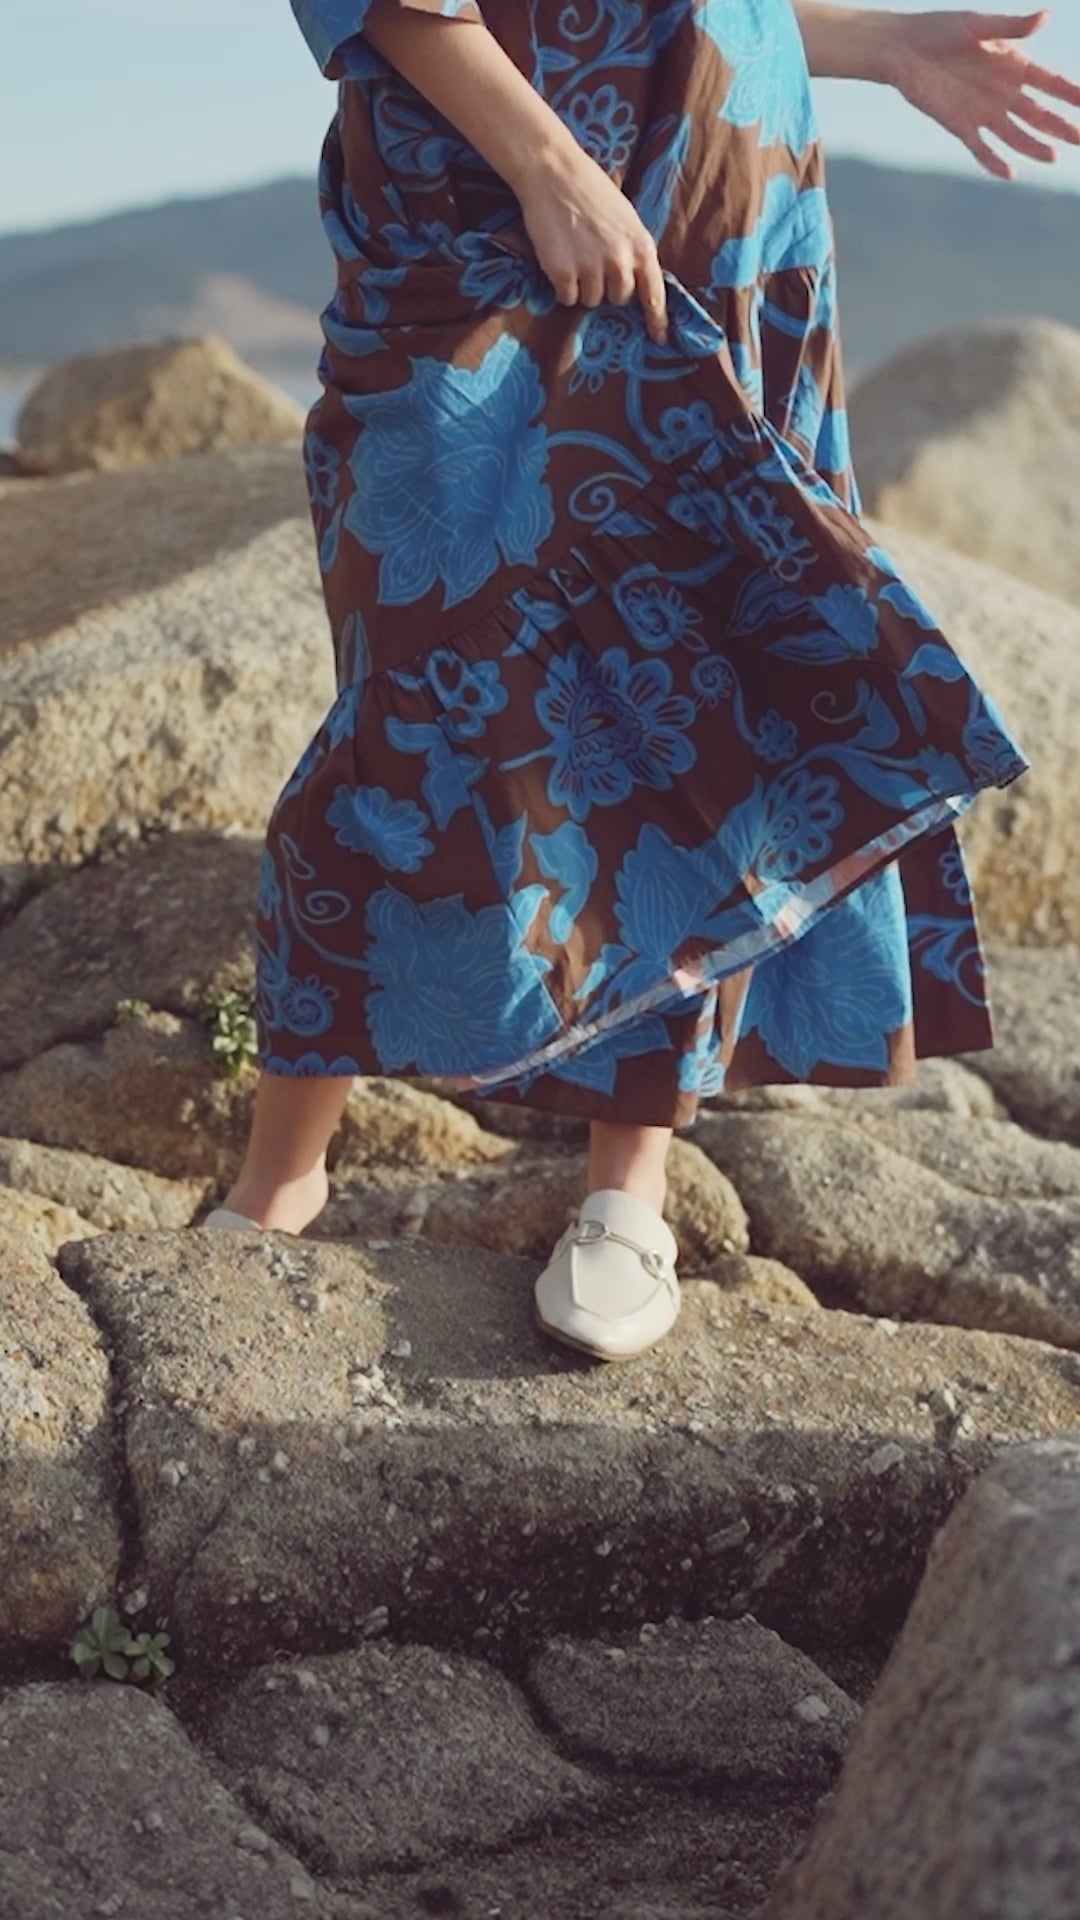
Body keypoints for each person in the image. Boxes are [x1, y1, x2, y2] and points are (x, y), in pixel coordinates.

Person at [204, 0, 1080, 1363]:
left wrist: (868, 45)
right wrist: (551, 167)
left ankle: (630, 1189)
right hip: (489, 195)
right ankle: (282, 1174)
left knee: (704, 686)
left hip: (730, 190)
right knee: (427, 690)